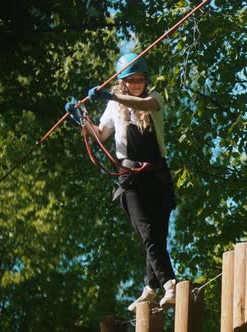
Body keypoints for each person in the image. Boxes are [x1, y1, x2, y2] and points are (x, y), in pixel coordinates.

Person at [65, 53, 177, 313]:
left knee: (158, 236)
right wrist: (80, 120)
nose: (137, 84)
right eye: (131, 80)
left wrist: (111, 96)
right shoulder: (114, 107)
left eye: (140, 79)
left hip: (158, 176)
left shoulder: (154, 98)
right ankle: (170, 283)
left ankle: (149, 288)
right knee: (148, 232)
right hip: (131, 179)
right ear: (123, 82)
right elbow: (101, 134)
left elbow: (147, 105)